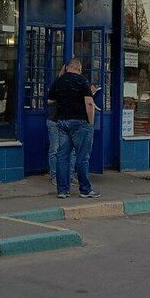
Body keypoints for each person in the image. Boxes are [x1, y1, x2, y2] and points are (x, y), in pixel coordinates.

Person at [48, 58, 99, 199]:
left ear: (67, 68)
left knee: (62, 156)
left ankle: (62, 190)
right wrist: (90, 122)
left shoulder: (59, 81)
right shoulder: (82, 81)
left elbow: (50, 99)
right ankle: (85, 190)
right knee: (82, 157)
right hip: (80, 123)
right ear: (79, 68)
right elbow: (89, 103)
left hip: (62, 122)